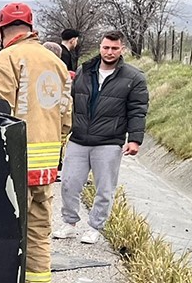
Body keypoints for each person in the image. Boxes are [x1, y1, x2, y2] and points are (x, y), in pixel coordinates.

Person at [0, 2, 72, 283]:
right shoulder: (56, 63)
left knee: (2, 233)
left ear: (2, 29)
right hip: (46, 167)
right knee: (38, 233)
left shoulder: (4, 60)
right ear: (31, 28)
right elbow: (66, 119)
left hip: (14, 166)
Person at [53, 30, 149, 245]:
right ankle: (69, 223)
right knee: (68, 183)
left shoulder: (134, 78)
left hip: (109, 141)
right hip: (78, 138)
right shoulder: (84, 70)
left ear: (122, 49)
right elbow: (69, 100)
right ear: (100, 47)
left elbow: (138, 110)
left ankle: (95, 227)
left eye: (114, 48)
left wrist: (135, 139)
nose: (109, 52)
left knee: (104, 188)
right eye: (106, 47)